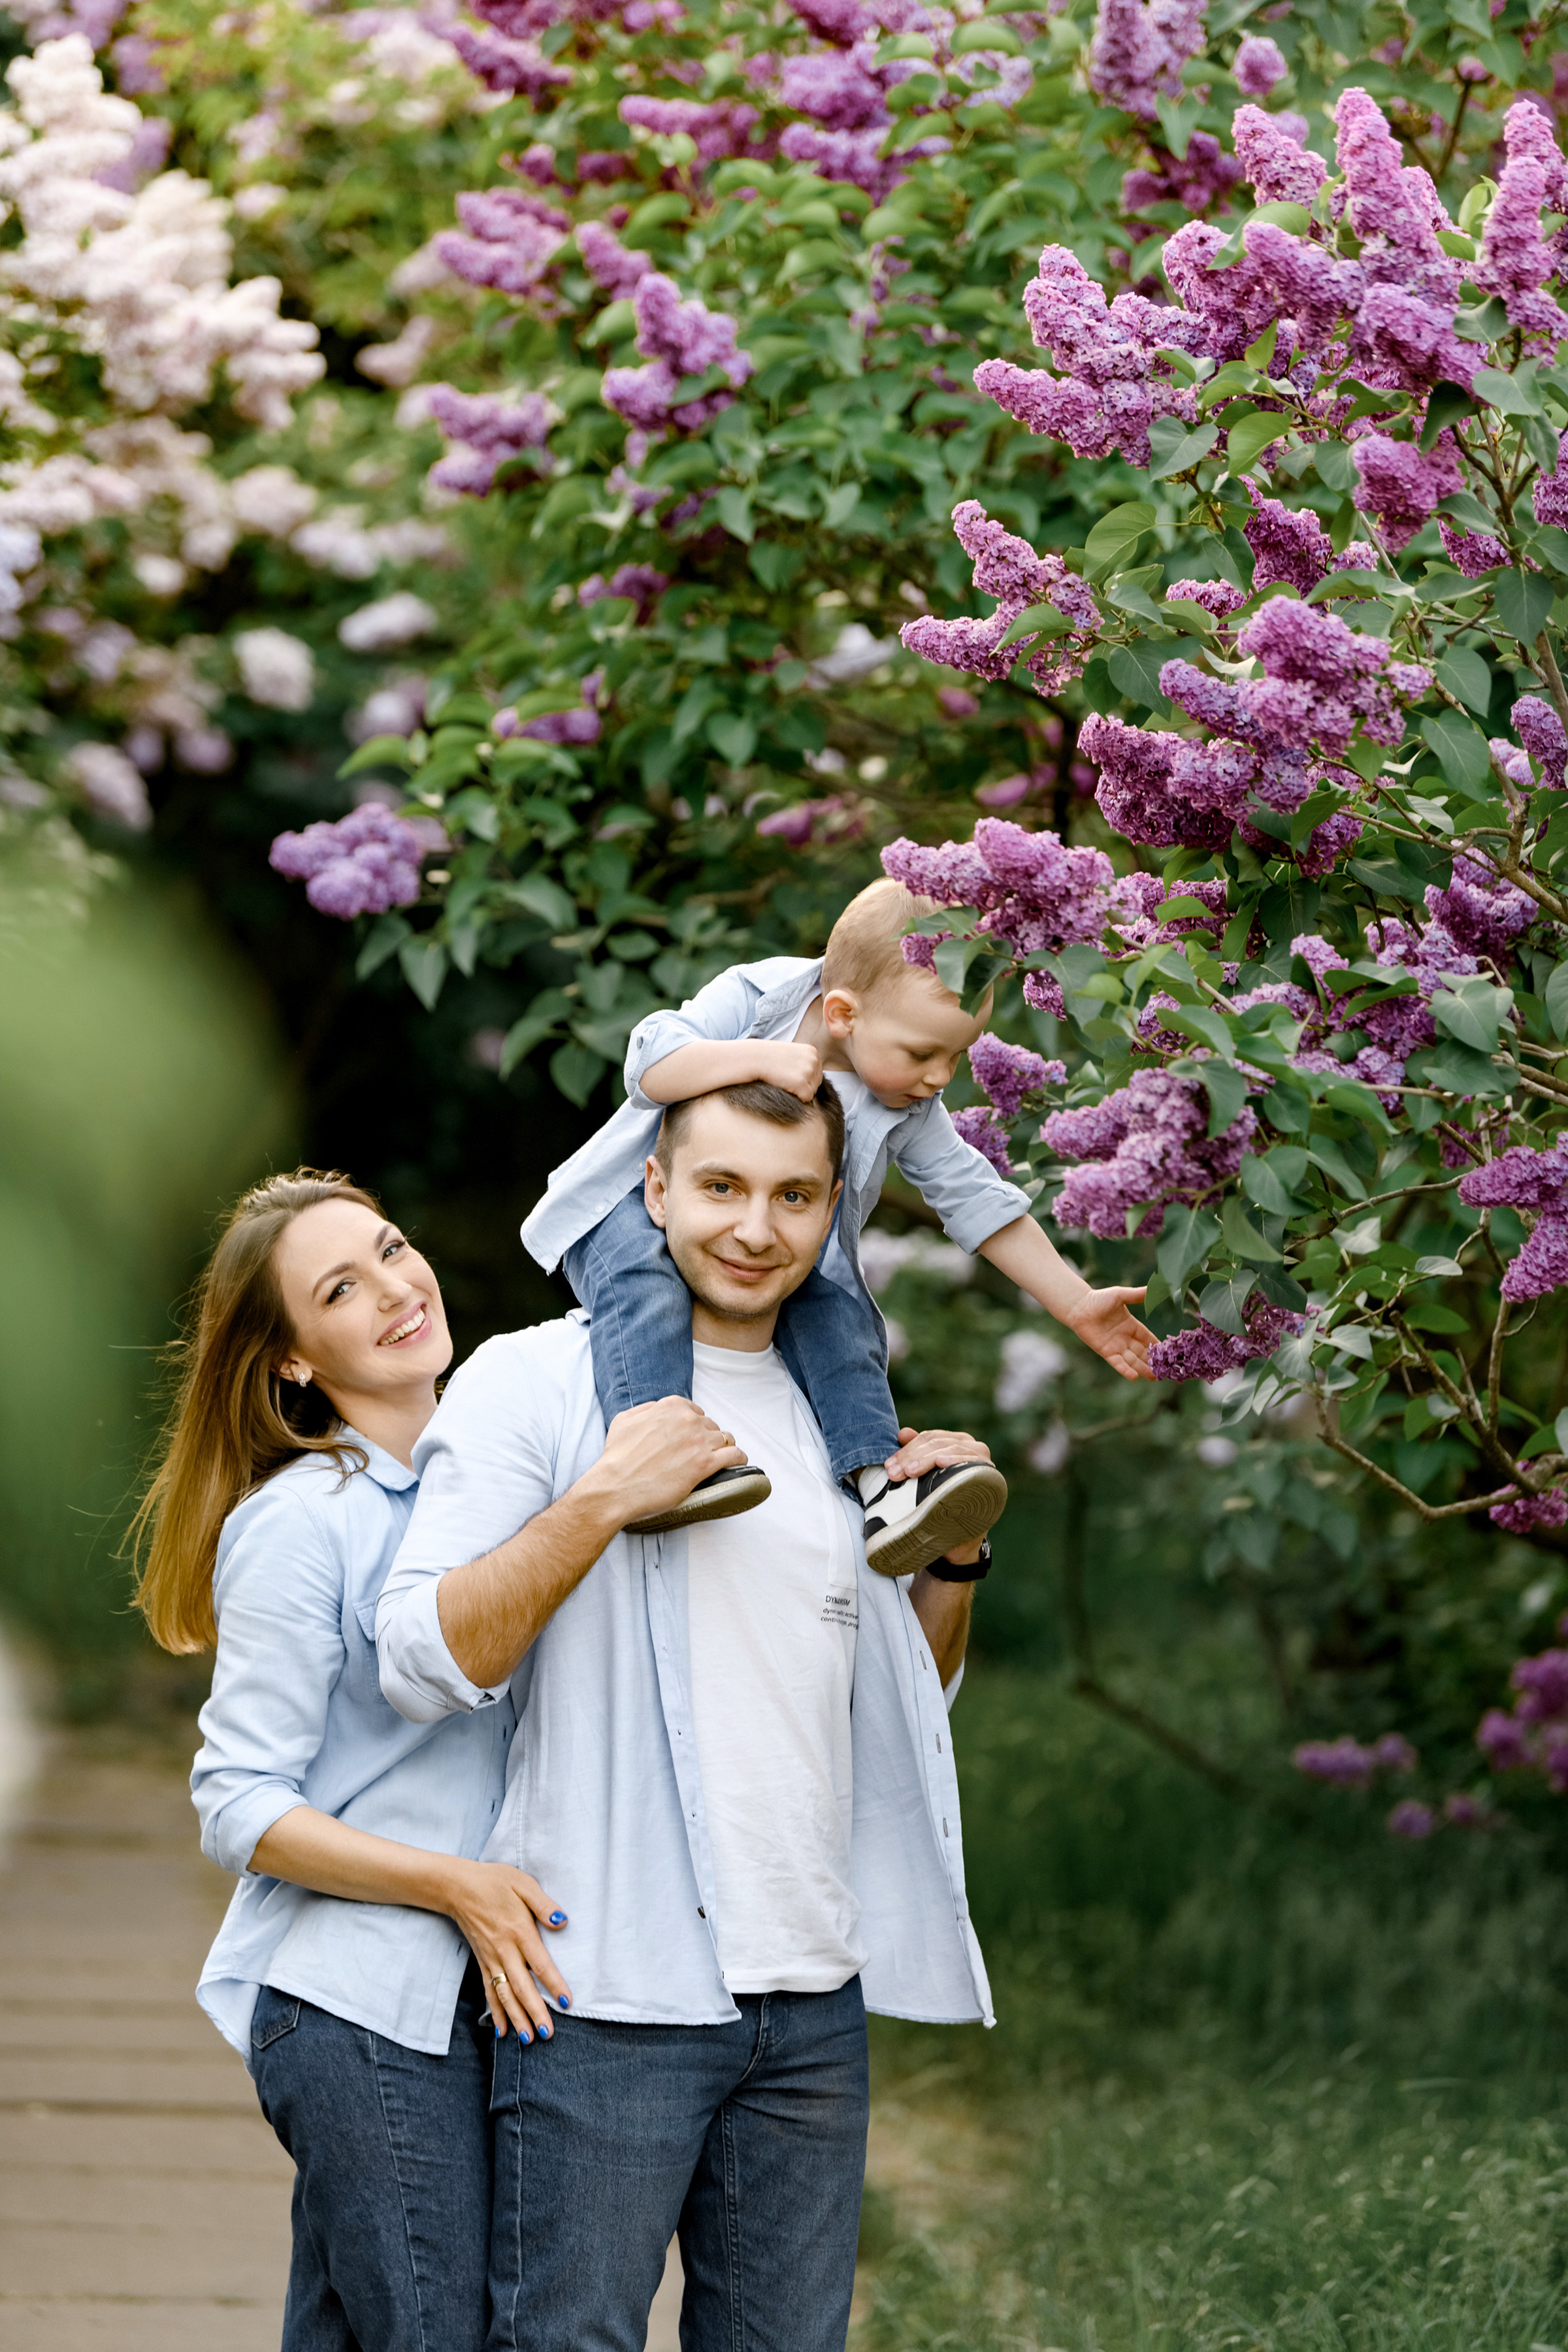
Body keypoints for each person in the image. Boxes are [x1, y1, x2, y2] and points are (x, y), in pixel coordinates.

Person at [376, 1077, 1002, 2352]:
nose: (756, 1229)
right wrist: (602, 1501)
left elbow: (897, 1702)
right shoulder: (536, 1382)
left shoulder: (841, 1412)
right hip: (602, 1989)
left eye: (794, 1197)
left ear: (831, 1212)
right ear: (655, 1189)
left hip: (811, 2003)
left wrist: (951, 1564)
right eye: (721, 1187)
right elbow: (420, 1658)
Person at [132, 1169, 581, 2352]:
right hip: (357, 2008)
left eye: (389, 1249)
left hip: (487, 2004)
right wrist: (453, 1884)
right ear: (292, 1360)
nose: (394, 1289)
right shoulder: (305, 1519)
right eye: (339, 1289)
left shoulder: (508, 1487)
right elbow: (238, 1802)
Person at [522, 874, 1151, 1573]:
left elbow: (975, 1196)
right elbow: (650, 1061)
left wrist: (1074, 1302)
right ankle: (654, 1453)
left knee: (842, 1317)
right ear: (844, 1014)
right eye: (923, 1054)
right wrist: (759, 1058)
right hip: (630, 1207)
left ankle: (882, 1485)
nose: (941, 1077)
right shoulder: (760, 997)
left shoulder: (907, 1103)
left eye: (957, 1055)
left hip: (781, 1249)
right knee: (646, 1289)